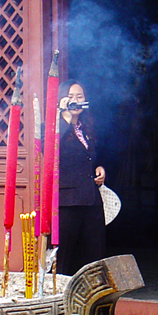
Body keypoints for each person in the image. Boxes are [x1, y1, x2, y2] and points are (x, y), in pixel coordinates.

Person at [56, 82, 106, 276]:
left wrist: (99, 167)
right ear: (61, 100)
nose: (75, 101)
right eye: (71, 96)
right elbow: (50, 152)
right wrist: (65, 119)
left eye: (79, 96)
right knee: (65, 256)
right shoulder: (52, 127)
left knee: (94, 254)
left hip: (91, 200)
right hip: (67, 202)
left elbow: (91, 157)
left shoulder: (87, 128)